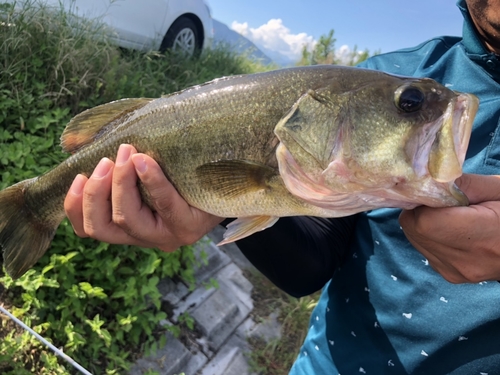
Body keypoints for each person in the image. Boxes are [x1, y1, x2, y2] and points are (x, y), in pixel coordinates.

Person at [64, 0, 500, 373]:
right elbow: (312, 261)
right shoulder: (383, 73)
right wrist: (220, 204)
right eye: (410, 105)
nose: (422, 110)